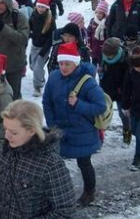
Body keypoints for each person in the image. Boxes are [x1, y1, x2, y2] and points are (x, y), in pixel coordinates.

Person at [43, 42, 105, 206]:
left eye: (67, 64)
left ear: (76, 63)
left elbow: (100, 106)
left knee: (84, 163)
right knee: (54, 165)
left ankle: (89, 192)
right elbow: (47, 102)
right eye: (61, 63)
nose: (63, 67)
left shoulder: (87, 82)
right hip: (60, 130)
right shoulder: (54, 77)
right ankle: (56, 195)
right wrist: (52, 125)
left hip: (82, 131)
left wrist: (78, 104)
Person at [100, 37, 131, 146]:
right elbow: (102, 71)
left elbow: (127, 79)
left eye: (110, 56)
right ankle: (100, 138)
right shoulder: (104, 57)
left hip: (121, 91)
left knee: (124, 116)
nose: (107, 57)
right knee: (102, 115)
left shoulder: (125, 60)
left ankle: (127, 138)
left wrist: (124, 92)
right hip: (107, 89)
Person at [28, 0, 57, 97]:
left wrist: (44, 50)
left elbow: (51, 37)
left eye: (42, 7)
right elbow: (29, 28)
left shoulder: (50, 20)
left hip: (44, 47)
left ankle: (38, 87)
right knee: (32, 66)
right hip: (34, 46)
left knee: (37, 67)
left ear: (47, 8)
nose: (40, 9)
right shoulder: (33, 16)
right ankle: (41, 78)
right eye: (39, 6)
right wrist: (29, 35)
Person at [86, 0, 109, 65]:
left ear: (104, 14)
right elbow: (89, 32)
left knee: (103, 66)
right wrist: (89, 43)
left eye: (100, 13)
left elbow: (108, 35)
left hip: (104, 49)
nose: (98, 14)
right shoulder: (93, 21)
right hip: (94, 48)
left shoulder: (107, 22)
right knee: (94, 65)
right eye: (97, 12)